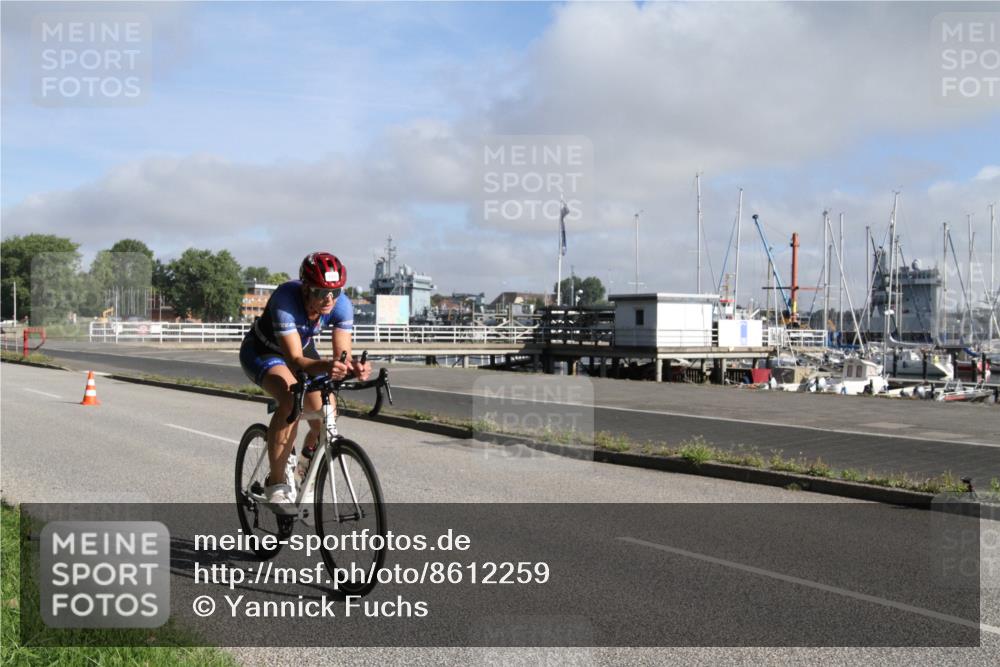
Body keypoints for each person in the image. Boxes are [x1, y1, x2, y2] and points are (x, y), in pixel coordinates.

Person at [239, 252, 370, 513]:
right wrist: (331, 366)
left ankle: (302, 472)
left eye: (335, 291)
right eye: (321, 292)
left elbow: (341, 356)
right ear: (306, 289)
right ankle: (275, 484)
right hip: (265, 351)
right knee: (290, 399)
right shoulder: (286, 299)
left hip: (304, 352)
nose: (329, 298)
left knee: (327, 411)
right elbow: (295, 360)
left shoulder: (341, 304)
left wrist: (353, 368)